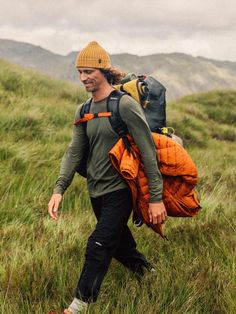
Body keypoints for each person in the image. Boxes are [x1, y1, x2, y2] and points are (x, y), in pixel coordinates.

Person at [48, 41, 167, 314]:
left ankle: (78, 307)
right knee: (119, 245)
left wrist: (156, 198)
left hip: (120, 190)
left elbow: (149, 153)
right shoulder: (83, 110)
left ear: (103, 70)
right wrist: (59, 189)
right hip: (96, 191)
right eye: (79, 72)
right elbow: (74, 152)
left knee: (98, 244)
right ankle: (149, 274)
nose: (83, 78)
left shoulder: (124, 105)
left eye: (88, 71)